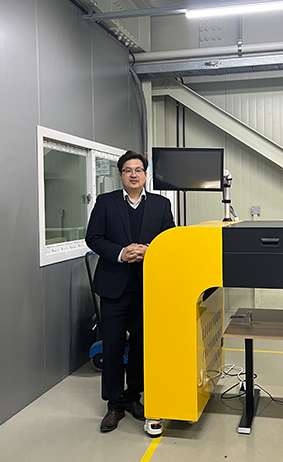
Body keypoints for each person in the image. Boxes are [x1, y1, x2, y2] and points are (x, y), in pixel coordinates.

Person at [85, 150, 175, 433]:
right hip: (114, 288)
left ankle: (133, 398)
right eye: (128, 170)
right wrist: (121, 253)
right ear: (120, 175)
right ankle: (113, 405)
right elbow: (93, 238)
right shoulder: (106, 202)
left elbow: (169, 238)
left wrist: (150, 250)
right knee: (112, 347)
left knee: (140, 347)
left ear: (146, 174)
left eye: (138, 170)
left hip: (148, 288)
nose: (133, 174)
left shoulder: (161, 204)